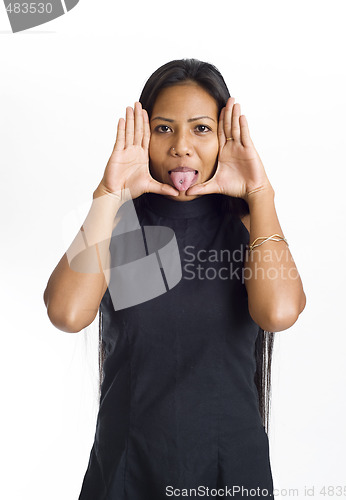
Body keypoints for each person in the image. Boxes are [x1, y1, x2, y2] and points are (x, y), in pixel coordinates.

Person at [43, 58, 306, 499]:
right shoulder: (114, 226)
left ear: (225, 137)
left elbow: (278, 313)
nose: (182, 146)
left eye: (201, 129)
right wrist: (109, 195)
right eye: (164, 128)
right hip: (128, 464)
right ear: (144, 136)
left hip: (231, 469)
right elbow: (67, 314)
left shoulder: (250, 227)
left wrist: (261, 195)